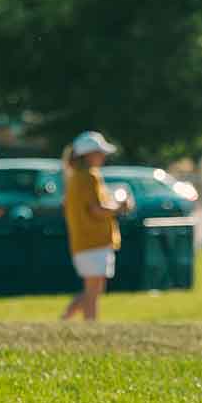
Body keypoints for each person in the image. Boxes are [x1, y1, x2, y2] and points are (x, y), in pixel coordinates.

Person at [61, 131, 133, 322]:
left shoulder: (77, 176)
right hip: (93, 240)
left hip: (85, 240)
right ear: (89, 154)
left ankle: (65, 321)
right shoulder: (88, 176)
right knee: (93, 290)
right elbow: (97, 210)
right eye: (99, 152)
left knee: (93, 289)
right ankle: (88, 325)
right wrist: (120, 207)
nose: (103, 156)